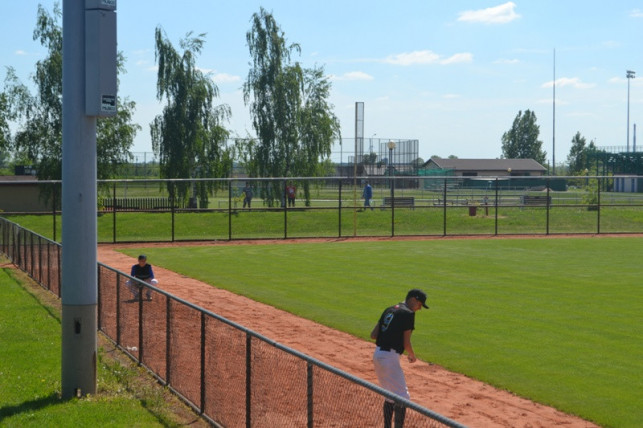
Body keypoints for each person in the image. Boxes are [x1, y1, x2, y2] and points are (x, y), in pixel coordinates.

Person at [370, 289, 429, 428]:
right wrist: (412, 355)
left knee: (389, 396)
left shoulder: (389, 309)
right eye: (420, 304)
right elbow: (406, 342)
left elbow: (373, 334)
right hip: (390, 357)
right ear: (413, 300)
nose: (419, 308)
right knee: (403, 397)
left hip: (377, 355)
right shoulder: (408, 314)